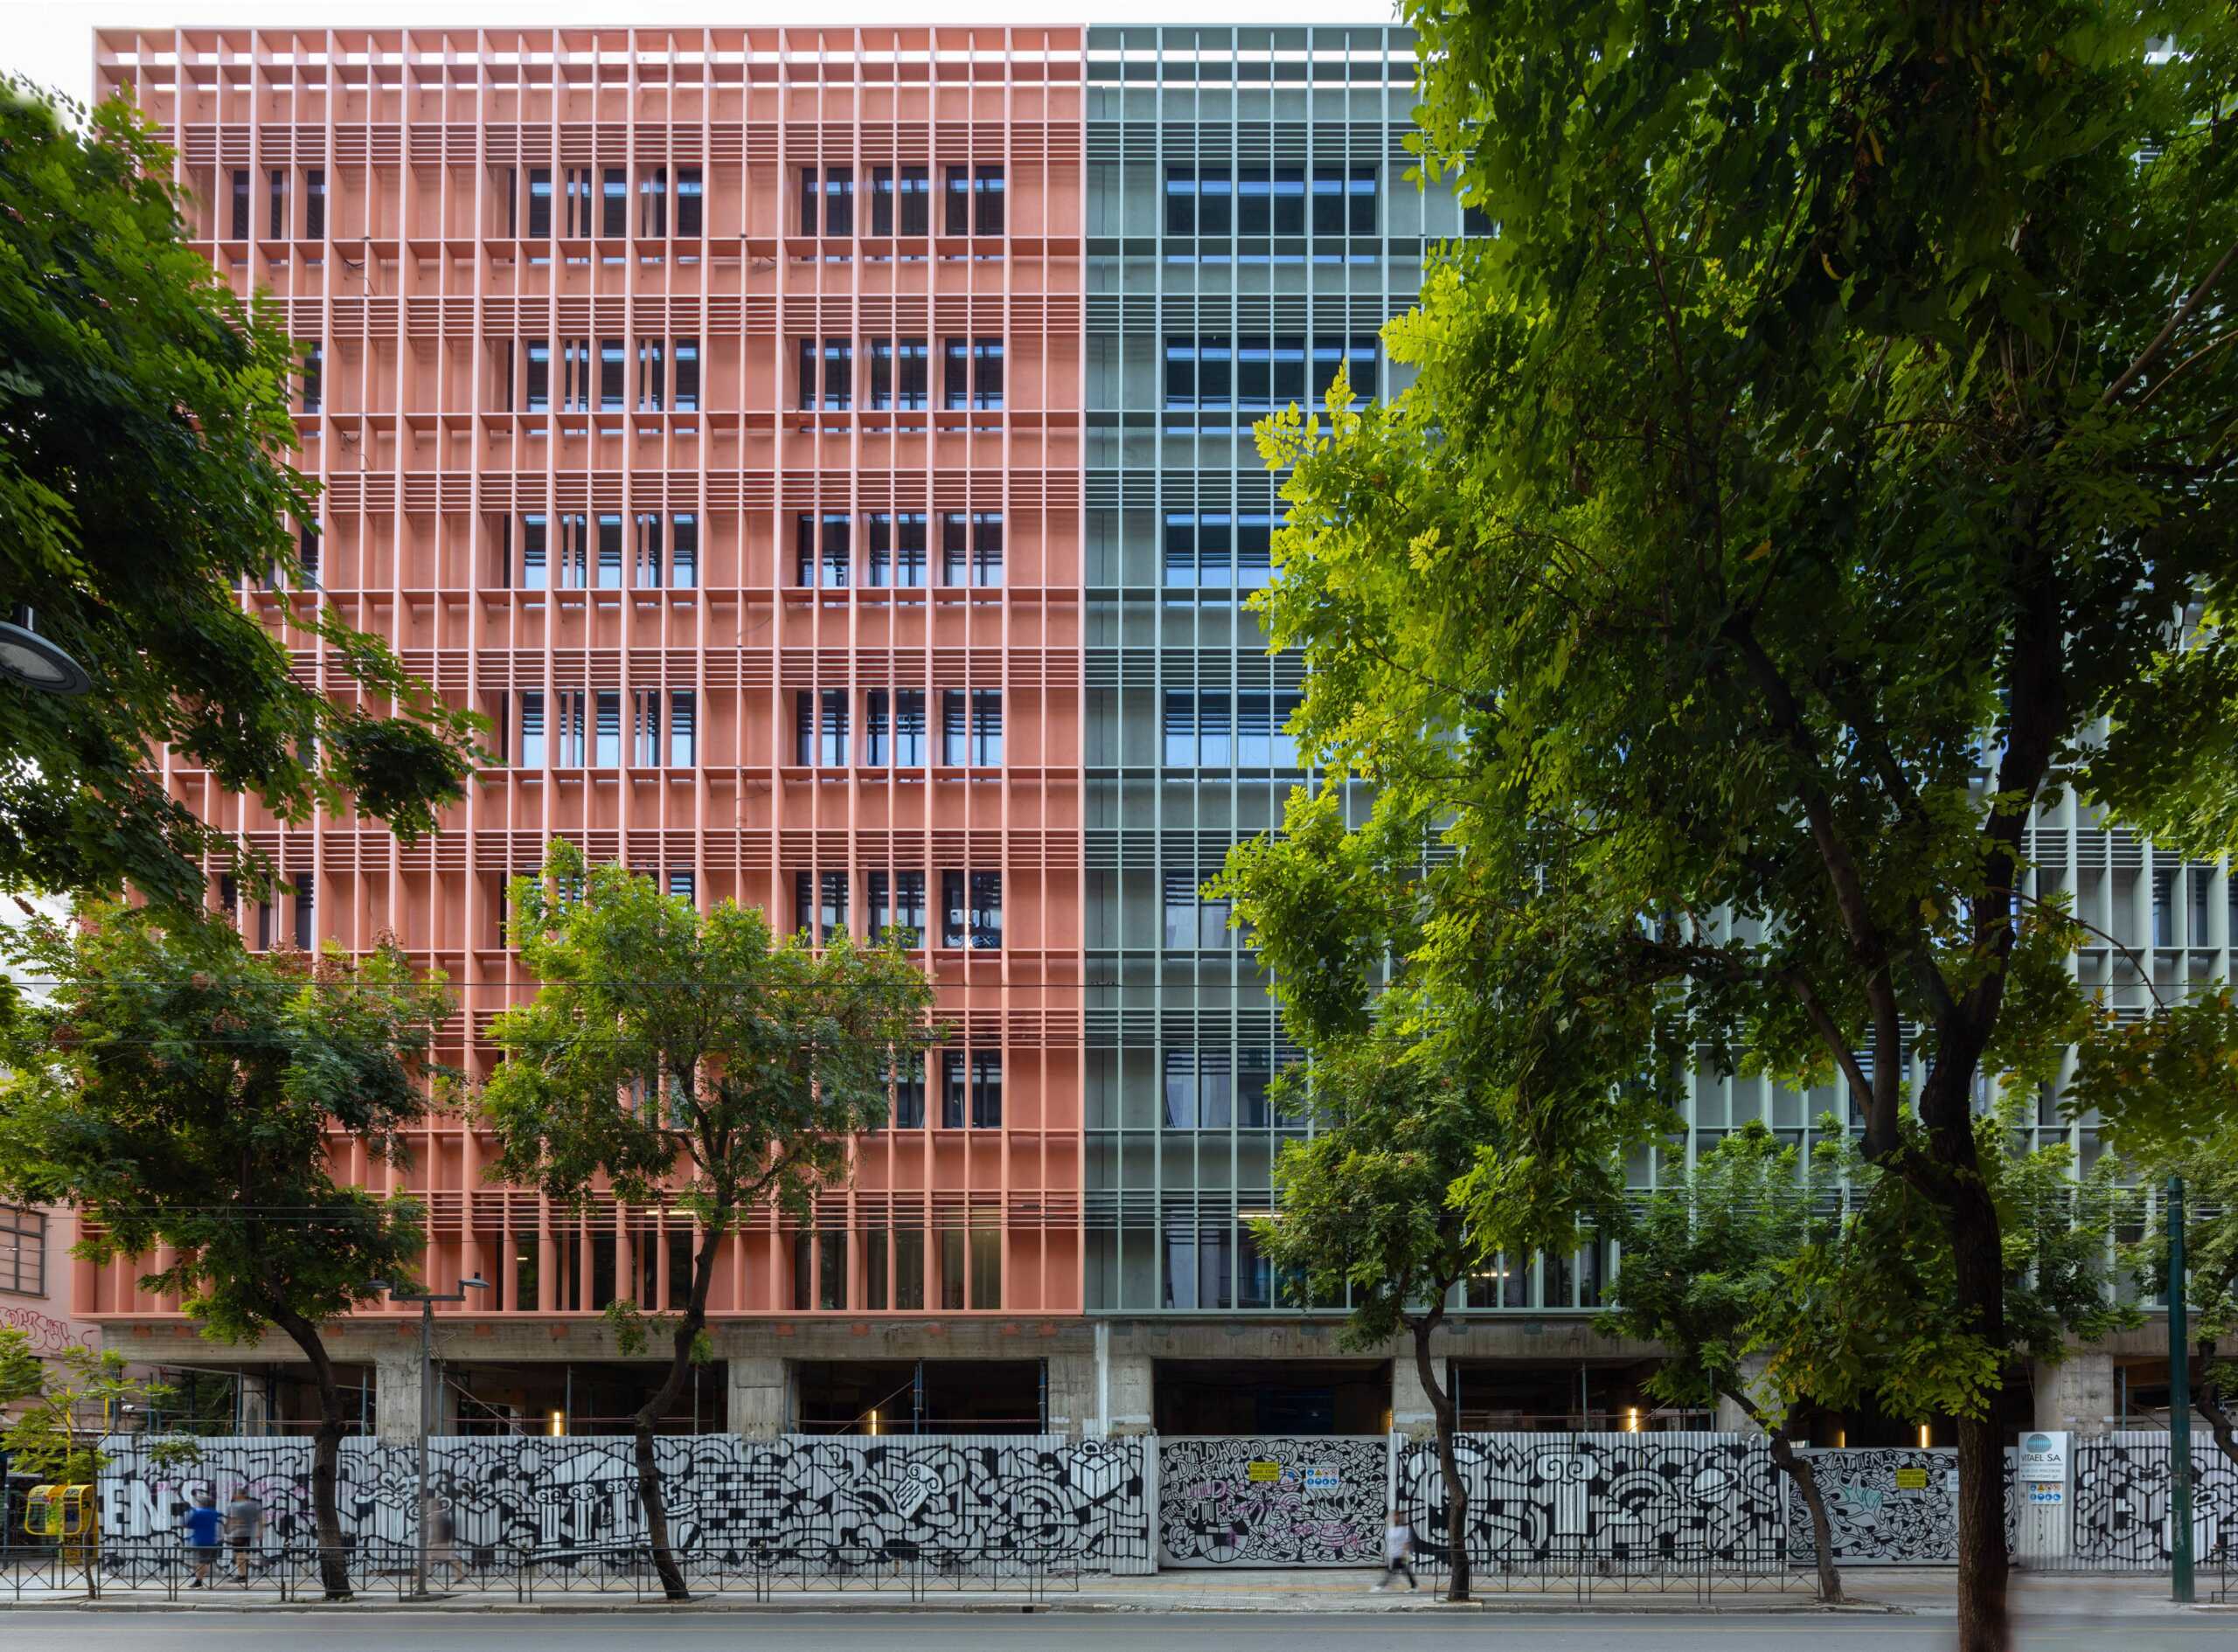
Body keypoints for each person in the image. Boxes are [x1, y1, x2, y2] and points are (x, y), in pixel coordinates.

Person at [182, 1489, 222, 1590]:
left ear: (202, 1504)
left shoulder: (198, 1513)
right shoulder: (213, 1513)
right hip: (211, 1540)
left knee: (202, 1561)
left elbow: (188, 1524)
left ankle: (198, 1582)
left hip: (200, 1540)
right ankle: (199, 1579)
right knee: (204, 1561)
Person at [224, 1488, 264, 1586]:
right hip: (249, 1533)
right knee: (243, 1554)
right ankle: (243, 1574)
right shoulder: (254, 1505)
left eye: (235, 1495)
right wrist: (260, 1532)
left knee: (239, 1554)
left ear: (238, 1495)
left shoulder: (235, 1506)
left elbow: (234, 1520)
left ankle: (242, 1575)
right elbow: (260, 1519)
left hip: (239, 1533)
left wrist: (228, 1529)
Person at [1374, 1508, 1417, 1592]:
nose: (1391, 1518)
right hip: (1393, 1554)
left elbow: (1406, 1543)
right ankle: (1414, 1586)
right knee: (1404, 1571)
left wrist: (1404, 1554)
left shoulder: (1404, 1529)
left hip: (1401, 1555)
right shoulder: (1390, 1529)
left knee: (1391, 1571)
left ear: (1398, 1517)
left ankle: (1381, 1586)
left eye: (1394, 1516)